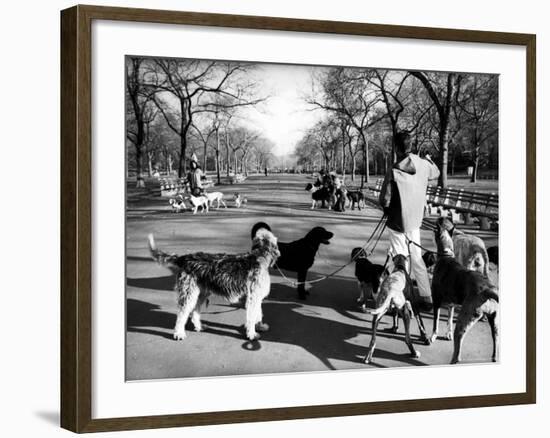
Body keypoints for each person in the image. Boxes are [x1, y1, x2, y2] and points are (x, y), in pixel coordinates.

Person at [379, 131, 440, 308]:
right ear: (411, 145)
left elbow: (384, 199)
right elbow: (435, 173)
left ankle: (399, 301)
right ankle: (427, 297)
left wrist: (386, 208)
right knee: (416, 258)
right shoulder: (423, 164)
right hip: (415, 220)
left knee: (399, 260)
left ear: (396, 148)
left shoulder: (394, 169)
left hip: (397, 222)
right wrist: (427, 159)